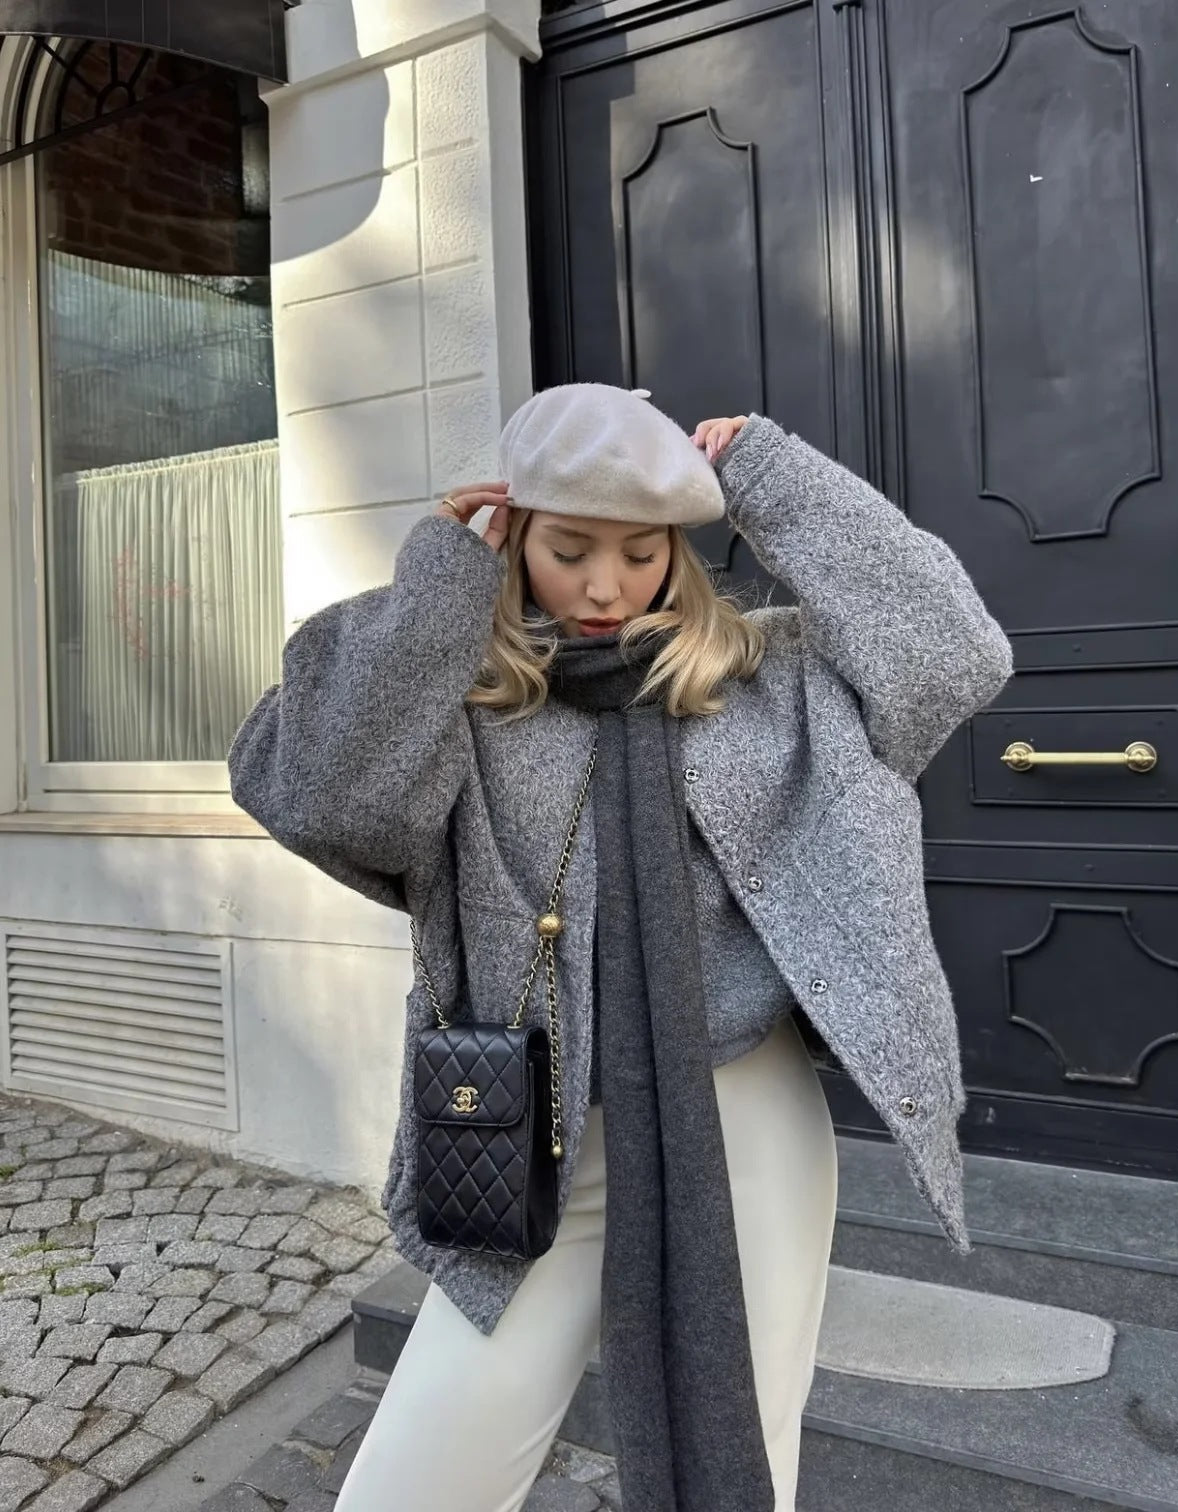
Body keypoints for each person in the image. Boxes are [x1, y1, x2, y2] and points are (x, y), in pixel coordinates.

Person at [227, 384, 1013, 1512]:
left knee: (746, 1462)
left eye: (643, 552)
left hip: (744, 1119)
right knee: (414, 1485)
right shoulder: (465, 700)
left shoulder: (763, 681)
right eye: (570, 549)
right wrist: (439, 584)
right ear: (513, 537)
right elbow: (328, 802)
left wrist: (777, 480)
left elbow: (954, 657)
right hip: (527, 1135)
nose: (607, 587)